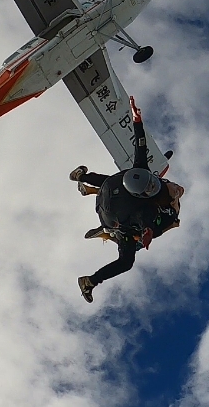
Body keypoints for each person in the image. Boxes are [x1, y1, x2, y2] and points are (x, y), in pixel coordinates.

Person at [71, 96, 185, 303]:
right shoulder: (152, 210)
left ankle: (82, 178)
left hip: (112, 195)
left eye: (175, 189)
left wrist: (136, 118)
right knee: (126, 261)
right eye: (177, 191)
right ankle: (90, 281)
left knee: (116, 182)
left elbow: (140, 145)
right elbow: (148, 222)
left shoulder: (141, 172)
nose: (178, 189)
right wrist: (148, 232)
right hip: (114, 218)